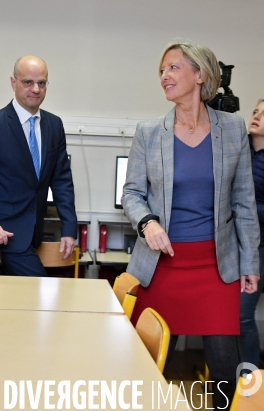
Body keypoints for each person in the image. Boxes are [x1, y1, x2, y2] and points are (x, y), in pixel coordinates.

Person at [122, 41, 260, 410]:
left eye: (173, 68)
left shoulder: (231, 128)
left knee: (224, 370)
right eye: (162, 70)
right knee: (146, 366)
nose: (165, 76)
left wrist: (250, 263)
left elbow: (244, 201)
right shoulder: (150, 132)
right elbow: (132, 193)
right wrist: (147, 222)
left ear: (200, 75)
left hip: (216, 267)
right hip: (161, 264)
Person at [0, 56, 76, 277]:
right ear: (13, 83)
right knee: (42, 295)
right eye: (28, 82)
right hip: (4, 237)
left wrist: (69, 228)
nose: (36, 89)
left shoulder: (54, 125)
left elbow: (61, 181)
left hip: (35, 235)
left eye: (42, 83)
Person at [240, 99, 264, 371]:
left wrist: (244, 207)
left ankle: (250, 387)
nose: (256, 117)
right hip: (230, 244)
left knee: (241, 316)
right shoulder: (239, 146)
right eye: (255, 111)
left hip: (259, 248)